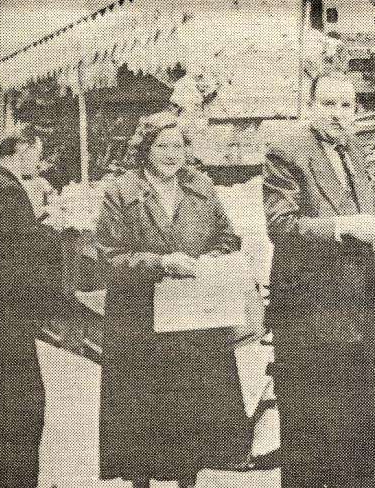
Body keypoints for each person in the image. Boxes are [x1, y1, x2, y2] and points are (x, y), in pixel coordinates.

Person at [263, 72, 375, 488]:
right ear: (311, 107)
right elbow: (281, 226)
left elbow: (356, 196)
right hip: (309, 316)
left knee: (348, 431)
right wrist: (345, 227)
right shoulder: (287, 152)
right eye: (329, 104)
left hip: (358, 313)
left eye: (346, 106)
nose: (338, 114)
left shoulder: (352, 148)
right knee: (308, 434)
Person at [94, 113, 250, 488]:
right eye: (162, 146)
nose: (171, 154)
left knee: (189, 407)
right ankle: (140, 481)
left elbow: (228, 237)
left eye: (178, 146)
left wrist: (215, 258)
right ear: (145, 150)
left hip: (193, 317)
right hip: (140, 318)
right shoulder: (121, 192)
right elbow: (105, 255)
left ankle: (187, 479)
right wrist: (160, 263)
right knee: (142, 407)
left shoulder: (202, 186)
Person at [0, 125, 68, 488]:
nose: (38, 163)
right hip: (4, 313)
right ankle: (13, 477)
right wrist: (52, 231)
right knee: (19, 400)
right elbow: (18, 253)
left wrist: (36, 224)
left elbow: (5, 241)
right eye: (37, 154)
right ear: (22, 149)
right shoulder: (4, 190)